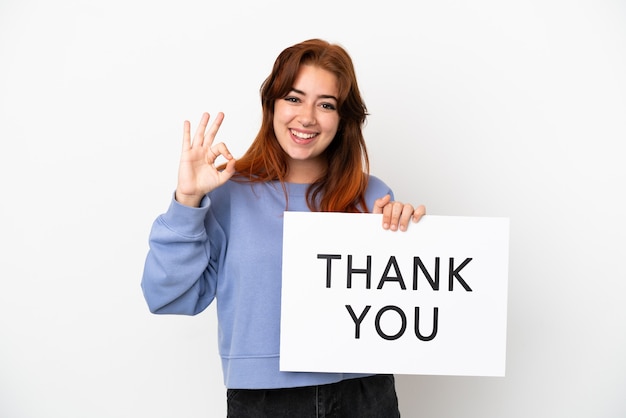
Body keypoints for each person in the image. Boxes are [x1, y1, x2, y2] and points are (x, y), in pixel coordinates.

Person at [141, 38, 426, 417]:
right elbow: (167, 297)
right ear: (271, 104)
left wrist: (405, 234)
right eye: (294, 98)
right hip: (264, 400)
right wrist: (187, 200)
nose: (307, 117)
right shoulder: (228, 192)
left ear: (343, 118)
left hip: (363, 392)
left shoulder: (373, 194)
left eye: (326, 104)